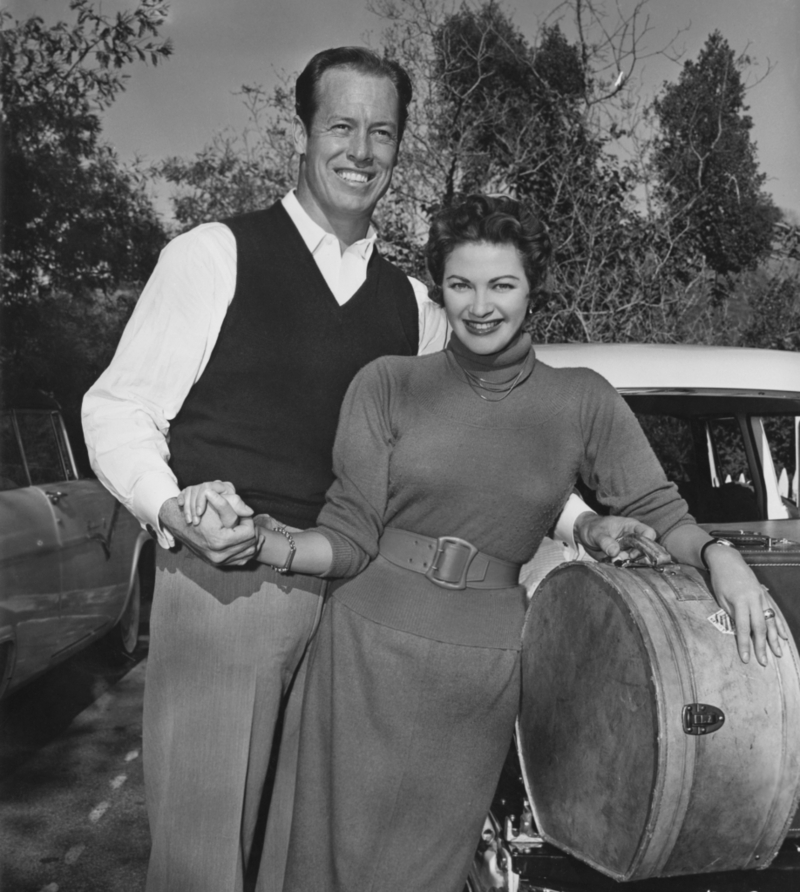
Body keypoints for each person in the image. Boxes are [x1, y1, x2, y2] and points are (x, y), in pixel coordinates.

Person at [81, 48, 635, 892]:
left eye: (383, 131)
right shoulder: (213, 255)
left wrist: (579, 522)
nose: (361, 150)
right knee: (206, 860)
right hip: (229, 593)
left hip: (360, 610)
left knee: (309, 862)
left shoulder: (411, 306)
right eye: (341, 125)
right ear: (303, 131)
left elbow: (489, 448)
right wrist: (170, 509)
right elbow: (116, 409)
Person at [185, 195, 787, 892]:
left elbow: (659, 509)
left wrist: (722, 559)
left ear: (533, 288)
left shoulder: (582, 400)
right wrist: (266, 539)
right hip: (361, 652)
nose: (480, 306)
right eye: (461, 284)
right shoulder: (387, 384)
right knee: (324, 868)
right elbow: (347, 537)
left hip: (481, 672)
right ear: (439, 287)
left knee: (425, 875)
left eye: (502, 284)